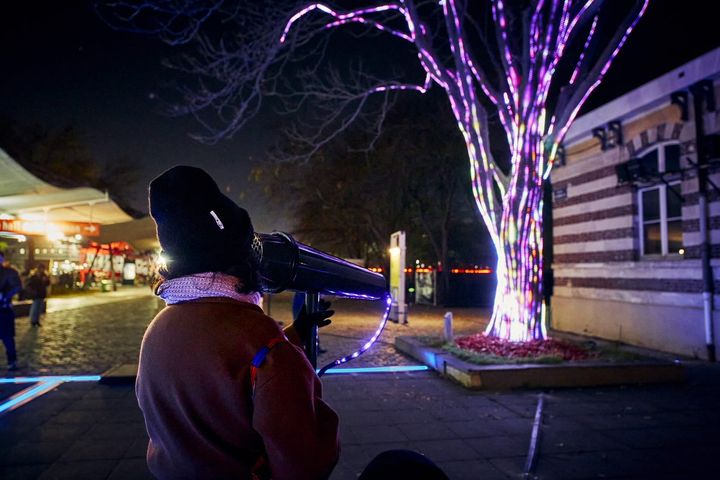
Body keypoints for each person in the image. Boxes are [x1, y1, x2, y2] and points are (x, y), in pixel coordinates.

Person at [138, 166, 340, 480]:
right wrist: (297, 372)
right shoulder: (264, 345)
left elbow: (218, 374)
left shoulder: (158, 329)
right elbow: (305, 464)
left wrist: (294, 334)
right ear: (244, 255)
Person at [0, 251, 21, 371]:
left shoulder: (9, 273)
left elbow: (17, 286)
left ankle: (12, 361)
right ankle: (12, 361)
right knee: (7, 337)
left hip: (4, 309)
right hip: (4, 308)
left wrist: (5, 296)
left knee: (7, 337)